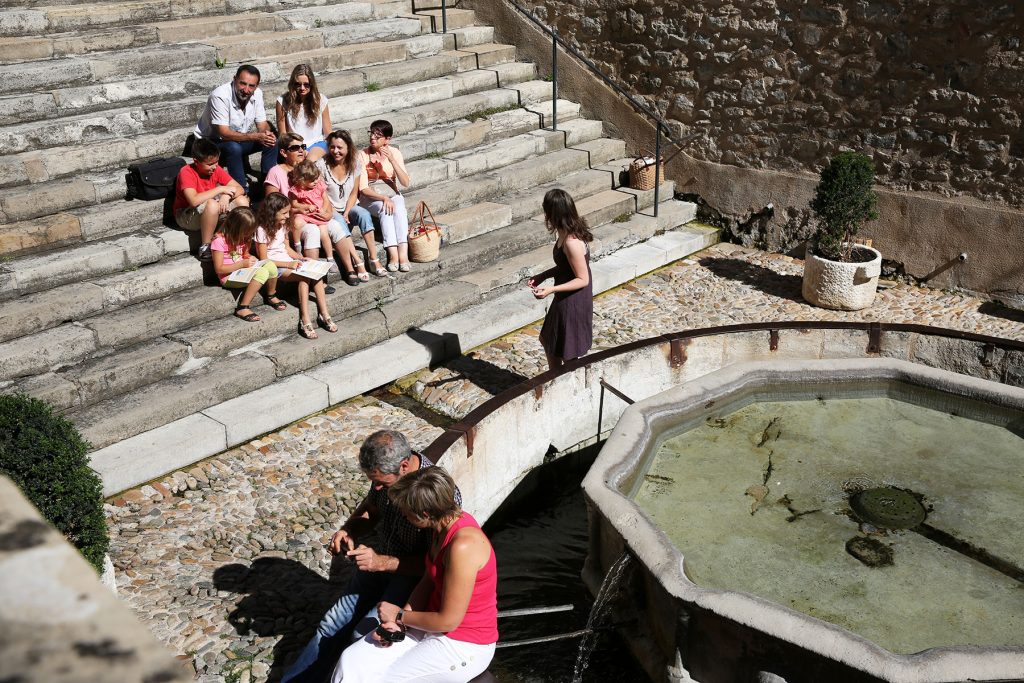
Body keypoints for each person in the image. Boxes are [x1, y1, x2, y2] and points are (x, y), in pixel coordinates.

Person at [281, 430, 461, 683]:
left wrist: (381, 563)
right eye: (372, 481)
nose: (376, 488)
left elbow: (436, 567)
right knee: (331, 623)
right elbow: (371, 509)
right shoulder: (384, 476)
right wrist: (350, 529)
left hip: (410, 578)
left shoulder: (437, 496)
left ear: (404, 465)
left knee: (363, 635)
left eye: (381, 483)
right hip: (378, 564)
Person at [332, 467, 497, 683]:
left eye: (406, 511)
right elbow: (428, 579)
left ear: (425, 514)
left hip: (463, 643)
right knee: (352, 660)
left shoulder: (463, 546)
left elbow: (448, 621)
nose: (402, 514)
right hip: (429, 624)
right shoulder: (441, 528)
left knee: (384, 678)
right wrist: (400, 621)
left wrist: (398, 615)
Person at [528, 188, 594, 370]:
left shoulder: (571, 242)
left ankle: (567, 383)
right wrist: (543, 276)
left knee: (567, 351)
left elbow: (583, 279)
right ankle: (555, 378)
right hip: (567, 297)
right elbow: (566, 267)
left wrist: (551, 290)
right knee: (550, 340)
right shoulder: (565, 231)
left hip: (572, 300)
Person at [254, 192, 336, 339]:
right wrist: (289, 264)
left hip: (289, 261)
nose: (287, 216)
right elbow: (264, 259)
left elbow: (287, 248)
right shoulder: (261, 230)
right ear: (273, 212)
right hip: (277, 266)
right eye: (284, 213)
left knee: (316, 273)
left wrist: (300, 257)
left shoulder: (283, 225)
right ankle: (305, 319)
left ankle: (324, 313)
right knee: (305, 278)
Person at [193, 64, 277, 194]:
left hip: (238, 138)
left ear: (257, 86)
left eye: (251, 86)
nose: (246, 89)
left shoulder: (257, 94)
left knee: (272, 141)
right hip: (210, 143)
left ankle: (270, 186)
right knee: (233, 147)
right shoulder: (220, 95)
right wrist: (255, 136)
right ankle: (242, 191)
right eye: (242, 84)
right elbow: (223, 133)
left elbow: (262, 124)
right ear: (234, 79)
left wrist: (265, 133)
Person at [173, 138, 250, 262]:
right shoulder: (186, 172)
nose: (214, 167)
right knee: (212, 204)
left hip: (209, 209)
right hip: (186, 215)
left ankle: (237, 238)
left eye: (217, 162)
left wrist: (226, 195)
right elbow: (193, 201)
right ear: (196, 161)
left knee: (241, 200)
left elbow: (239, 188)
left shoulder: (215, 168)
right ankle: (206, 247)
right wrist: (221, 190)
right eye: (209, 164)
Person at [318, 130, 378, 284]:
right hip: (329, 207)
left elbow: (354, 192)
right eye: (332, 147)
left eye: (340, 147)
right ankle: (358, 262)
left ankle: (373, 257)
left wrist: (346, 212)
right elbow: (321, 195)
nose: (335, 151)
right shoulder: (321, 165)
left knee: (364, 214)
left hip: (349, 204)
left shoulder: (355, 162)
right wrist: (340, 214)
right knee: (339, 222)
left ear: (348, 148)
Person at [358, 119, 412, 273]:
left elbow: (405, 182)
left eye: (377, 135)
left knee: (399, 206)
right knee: (386, 208)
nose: (372, 138)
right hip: (371, 197)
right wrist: (384, 198)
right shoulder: (363, 155)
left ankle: (403, 254)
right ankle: (393, 254)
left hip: (391, 193)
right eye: (371, 133)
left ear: (387, 139)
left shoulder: (394, 152)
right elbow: (363, 188)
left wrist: (392, 160)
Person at [289, 159, 353, 282]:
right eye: (312, 180)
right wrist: (306, 207)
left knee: (324, 234)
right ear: (302, 180)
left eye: (317, 178)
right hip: (306, 215)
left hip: (319, 215)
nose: (315, 182)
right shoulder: (297, 190)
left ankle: (330, 258)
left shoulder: (319, 186)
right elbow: (294, 205)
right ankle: (298, 248)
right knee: (297, 222)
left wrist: (324, 211)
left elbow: (325, 200)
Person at [211, 206, 279, 323]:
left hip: (242, 270)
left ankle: (271, 295)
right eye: (247, 232)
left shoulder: (244, 238)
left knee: (270, 265)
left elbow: (245, 255)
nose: (249, 235)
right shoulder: (219, 241)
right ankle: (243, 307)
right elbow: (219, 269)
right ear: (236, 228)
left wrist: (249, 257)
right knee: (262, 273)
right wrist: (242, 264)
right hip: (228, 277)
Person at [276, 64, 332, 163]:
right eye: (298, 84)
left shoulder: (321, 100)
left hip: (317, 144)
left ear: (312, 84)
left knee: (309, 161)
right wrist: (297, 148)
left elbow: (328, 132)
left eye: (306, 84)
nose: (302, 88)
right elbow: (283, 135)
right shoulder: (282, 101)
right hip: (295, 146)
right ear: (293, 84)